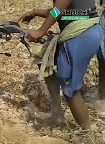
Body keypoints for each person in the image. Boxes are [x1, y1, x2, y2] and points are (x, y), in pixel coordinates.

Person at [18, 0, 103, 130]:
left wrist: (40, 31)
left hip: (81, 34)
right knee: (45, 60)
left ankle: (87, 134)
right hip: (86, 27)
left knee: (70, 88)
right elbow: (65, 12)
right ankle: (57, 112)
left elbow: (59, 9)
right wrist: (35, 12)